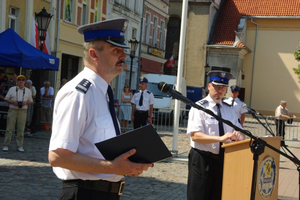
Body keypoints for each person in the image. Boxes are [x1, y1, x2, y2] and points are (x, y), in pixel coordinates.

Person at [48, 18, 153, 200]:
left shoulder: (103, 91)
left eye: (123, 50)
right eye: (116, 50)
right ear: (94, 54)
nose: (123, 56)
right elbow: (58, 156)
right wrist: (112, 167)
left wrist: (128, 163)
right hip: (85, 193)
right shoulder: (79, 93)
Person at [186, 70, 245, 200]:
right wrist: (220, 139)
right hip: (202, 159)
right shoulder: (199, 108)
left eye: (223, 88)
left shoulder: (229, 110)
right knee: (198, 196)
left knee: (218, 195)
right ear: (209, 86)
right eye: (216, 87)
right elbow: (195, 135)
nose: (220, 90)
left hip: (223, 160)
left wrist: (239, 135)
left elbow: (241, 131)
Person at [2, 75, 33, 152]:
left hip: (22, 111)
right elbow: (6, 98)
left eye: (22, 80)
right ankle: (6, 145)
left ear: (24, 82)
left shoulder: (28, 91)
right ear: (17, 81)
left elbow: (31, 100)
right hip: (13, 109)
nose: (21, 81)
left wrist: (26, 103)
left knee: (21, 129)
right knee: (9, 128)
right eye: (19, 80)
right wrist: (13, 102)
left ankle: (19, 145)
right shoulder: (12, 89)